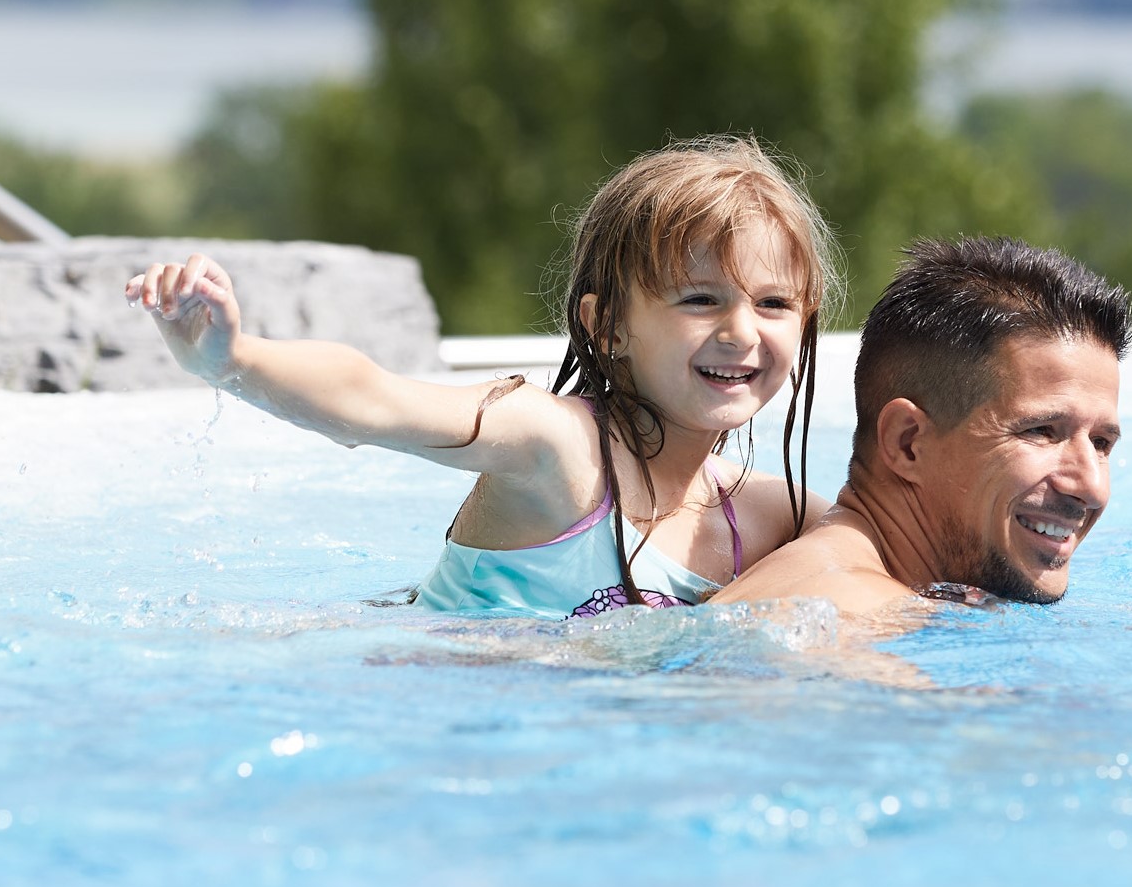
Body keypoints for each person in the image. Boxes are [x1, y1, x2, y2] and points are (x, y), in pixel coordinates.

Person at [123, 136, 834, 614]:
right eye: (699, 298)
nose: (741, 330)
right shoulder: (555, 448)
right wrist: (233, 358)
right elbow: (373, 398)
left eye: (773, 303)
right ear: (606, 324)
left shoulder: (775, 519)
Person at [712, 236, 1132, 617]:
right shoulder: (849, 622)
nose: (1091, 487)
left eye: (1100, 442)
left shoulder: (896, 593)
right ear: (908, 442)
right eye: (1041, 431)